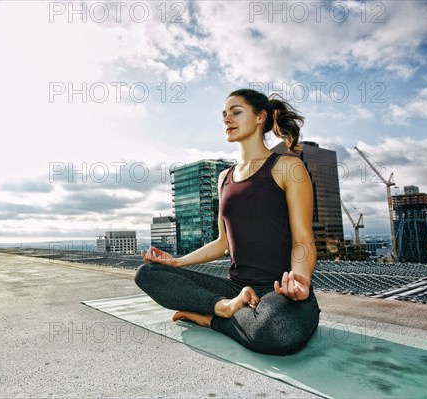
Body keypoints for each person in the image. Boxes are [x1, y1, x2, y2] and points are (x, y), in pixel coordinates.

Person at [134, 89, 320, 356]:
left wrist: (299, 280)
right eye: (224, 115)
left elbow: (303, 239)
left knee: (277, 330)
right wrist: (176, 262)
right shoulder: (225, 178)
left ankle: (210, 318)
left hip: (279, 290)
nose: (227, 120)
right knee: (148, 274)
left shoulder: (288, 167)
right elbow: (223, 244)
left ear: (260, 117)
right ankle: (223, 306)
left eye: (236, 112)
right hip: (234, 288)